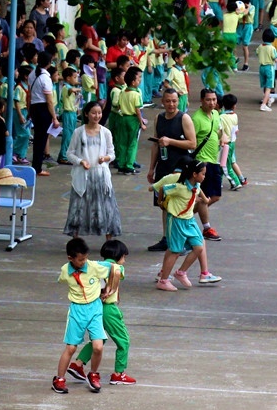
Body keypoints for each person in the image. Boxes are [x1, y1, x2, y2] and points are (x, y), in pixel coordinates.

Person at [52, 238, 119, 394]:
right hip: (76, 311)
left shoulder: (94, 266)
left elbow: (115, 269)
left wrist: (110, 289)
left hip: (95, 309)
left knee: (98, 346)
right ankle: (59, 379)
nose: (84, 262)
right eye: (81, 259)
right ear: (70, 258)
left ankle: (93, 374)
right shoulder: (65, 271)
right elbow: (61, 279)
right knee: (71, 348)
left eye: (85, 258)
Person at [67, 239, 134, 385]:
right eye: (124, 257)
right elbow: (118, 271)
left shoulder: (96, 266)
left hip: (96, 307)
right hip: (109, 309)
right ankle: (119, 373)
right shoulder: (116, 267)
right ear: (118, 256)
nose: (124, 261)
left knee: (99, 339)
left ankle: (78, 364)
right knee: (123, 340)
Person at [150, 160, 223, 291]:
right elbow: (162, 189)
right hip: (176, 221)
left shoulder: (196, 185)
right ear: (194, 174)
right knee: (175, 251)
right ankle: (163, 281)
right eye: (203, 174)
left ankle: (181, 272)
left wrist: (205, 200)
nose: (204, 176)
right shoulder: (179, 187)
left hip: (189, 221)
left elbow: (199, 192)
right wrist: (161, 202)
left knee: (199, 247)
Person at [145, 89, 197, 253]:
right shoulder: (159, 118)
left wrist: (170, 142)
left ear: (178, 101)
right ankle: (166, 238)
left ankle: (182, 239)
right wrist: (151, 168)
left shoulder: (184, 118)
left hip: (180, 168)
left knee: (179, 203)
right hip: (163, 165)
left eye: (174, 101)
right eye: (168, 101)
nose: (171, 104)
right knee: (164, 204)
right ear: (163, 102)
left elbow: (192, 143)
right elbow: (156, 144)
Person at [63, 101, 122, 240]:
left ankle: (109, 240)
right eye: (93, 113)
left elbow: (112, 153)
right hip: (83, 175)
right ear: (86, 114)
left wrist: (105, 158)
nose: (97, 116)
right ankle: (76, 241)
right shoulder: (78, 132)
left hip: (101, 175)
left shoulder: (106, 132)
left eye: (99, 113)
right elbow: (69, 153)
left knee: (107, 207)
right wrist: (81, 161)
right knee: (78, 207)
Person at [191, 89, 223, 241]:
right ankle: (207, 228)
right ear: (202, 100)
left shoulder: (216, 114)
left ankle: (184, 215)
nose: (212, 103)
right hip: (202, 161)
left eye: (214, 99)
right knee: (204, 197)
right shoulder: (196, 119)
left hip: (214, 160)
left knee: (215, 196)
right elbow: (191, 140)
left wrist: (222, 138)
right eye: (208, 100)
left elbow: (218, 130)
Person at [256, 31, 277, 112]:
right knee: (269, 87)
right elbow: (275, 59)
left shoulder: (260, 46)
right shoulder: (272, 48)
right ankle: (264, 104)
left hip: (261, 67)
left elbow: (257, 53)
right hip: (269, 67)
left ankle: (267, 99)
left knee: (265, 86)